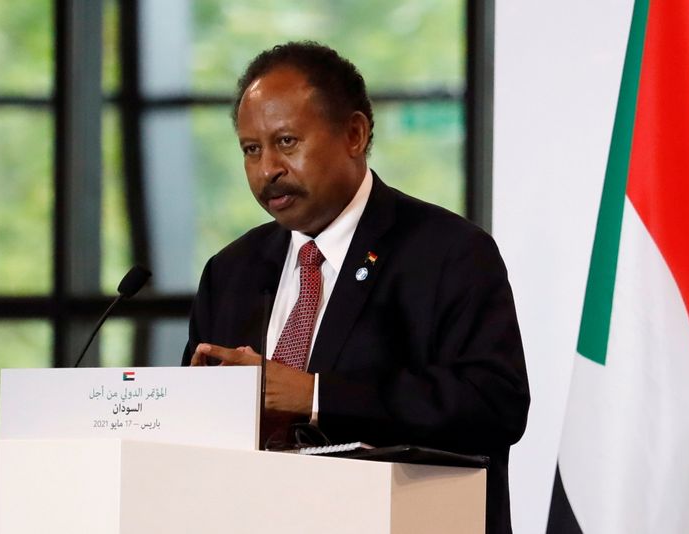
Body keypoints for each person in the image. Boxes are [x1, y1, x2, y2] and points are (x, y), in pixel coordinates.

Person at [183, 41, 530, 534]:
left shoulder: (448, 252)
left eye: (286, 142)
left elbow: (494, 404)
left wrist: (315, 394)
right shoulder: (231, 271)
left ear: (354, 133)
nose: (267, 171)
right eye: (250, 150)